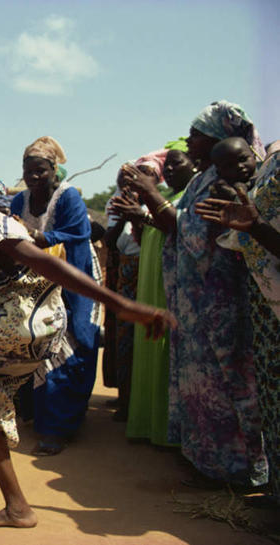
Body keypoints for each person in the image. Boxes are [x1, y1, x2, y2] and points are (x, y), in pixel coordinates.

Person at [0, 139, 175, 529]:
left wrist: (121, 305)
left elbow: (47, 264)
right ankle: (17, 508)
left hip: (27, 322)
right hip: (3, 319)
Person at [120, 100, 267, 488]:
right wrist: (144, 215)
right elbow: (176, 226)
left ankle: (234, 469)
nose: (189, 140)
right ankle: (204, 458)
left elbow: (191, 232)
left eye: (197, 134)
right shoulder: (204, 180)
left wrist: (150, 191)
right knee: (197, 380)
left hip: (218, 301)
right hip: (194, 302)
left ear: (220, 138)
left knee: (225, 381)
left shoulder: (226, 181)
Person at [196, 145, 280, 500]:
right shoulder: (272, 166)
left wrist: (256, 226)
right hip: (266, 310)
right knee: (272, 403)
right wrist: (255, 226)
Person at [10, 136, 101, 456]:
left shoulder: (68, 197)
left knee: (72, 345)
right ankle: (38, 415)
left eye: (41, 170)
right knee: (33, 348)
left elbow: (79, 235)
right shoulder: (17, 201)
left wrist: (40, 236)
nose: (34, 177)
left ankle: (60, 425)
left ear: (54, 171)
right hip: (33, 285)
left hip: (72, 281)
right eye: (28, 170)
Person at [113, 148, 195, 446]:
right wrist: (136, 216)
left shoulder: (189, 195)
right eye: (167, 165)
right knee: (148, 347)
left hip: (167, 279)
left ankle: (165, 430)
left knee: (163, 350)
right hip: (151, 272)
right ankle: (149, 423)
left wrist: (144, 210)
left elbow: (179, 227)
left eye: (176, 163)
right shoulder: (172, 196)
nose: (170, 170)